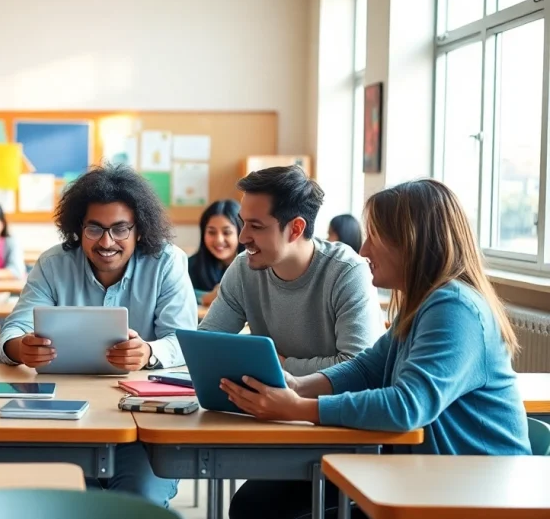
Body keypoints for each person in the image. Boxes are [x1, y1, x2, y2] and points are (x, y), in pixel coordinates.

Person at [220, 179, 531, 519]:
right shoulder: (425, 303)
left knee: (264, 509)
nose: (364, 250)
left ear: (411, 242)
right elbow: (368, 368)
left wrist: (298, 409)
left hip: (474, 495)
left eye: (375, 238)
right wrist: (298, 385)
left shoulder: (454, 308)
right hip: (429, 481)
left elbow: (406, 406)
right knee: (256, 504)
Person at [0, 164, 196, 508]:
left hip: (144, 427)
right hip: (63, 420)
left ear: (139, 230)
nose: (106, 242)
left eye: (120, 229)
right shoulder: (53, 264)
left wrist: (147, 352)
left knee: (140, 503)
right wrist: (21, 349)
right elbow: (12, 332)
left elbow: (184, 342)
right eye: (94, 229)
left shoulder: (167, 263)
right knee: (64, 504)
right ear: (78, 228)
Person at [200, 166, 384, 376]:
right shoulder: (243, 268)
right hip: (264, 403)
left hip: (330, 406)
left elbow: (358, 368)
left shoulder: (348, 272)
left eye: (256, 226)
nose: (242, 238)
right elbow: (205, 346)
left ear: (296, 228)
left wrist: (279, 365)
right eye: (243, 223)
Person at [189, 199, 244, 306]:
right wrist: (206, 297)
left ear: (240, 233)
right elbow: (178, 292)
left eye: (227, 232)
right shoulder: (189, 265)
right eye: (212, 232)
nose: (219, 240)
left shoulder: (253, 266)